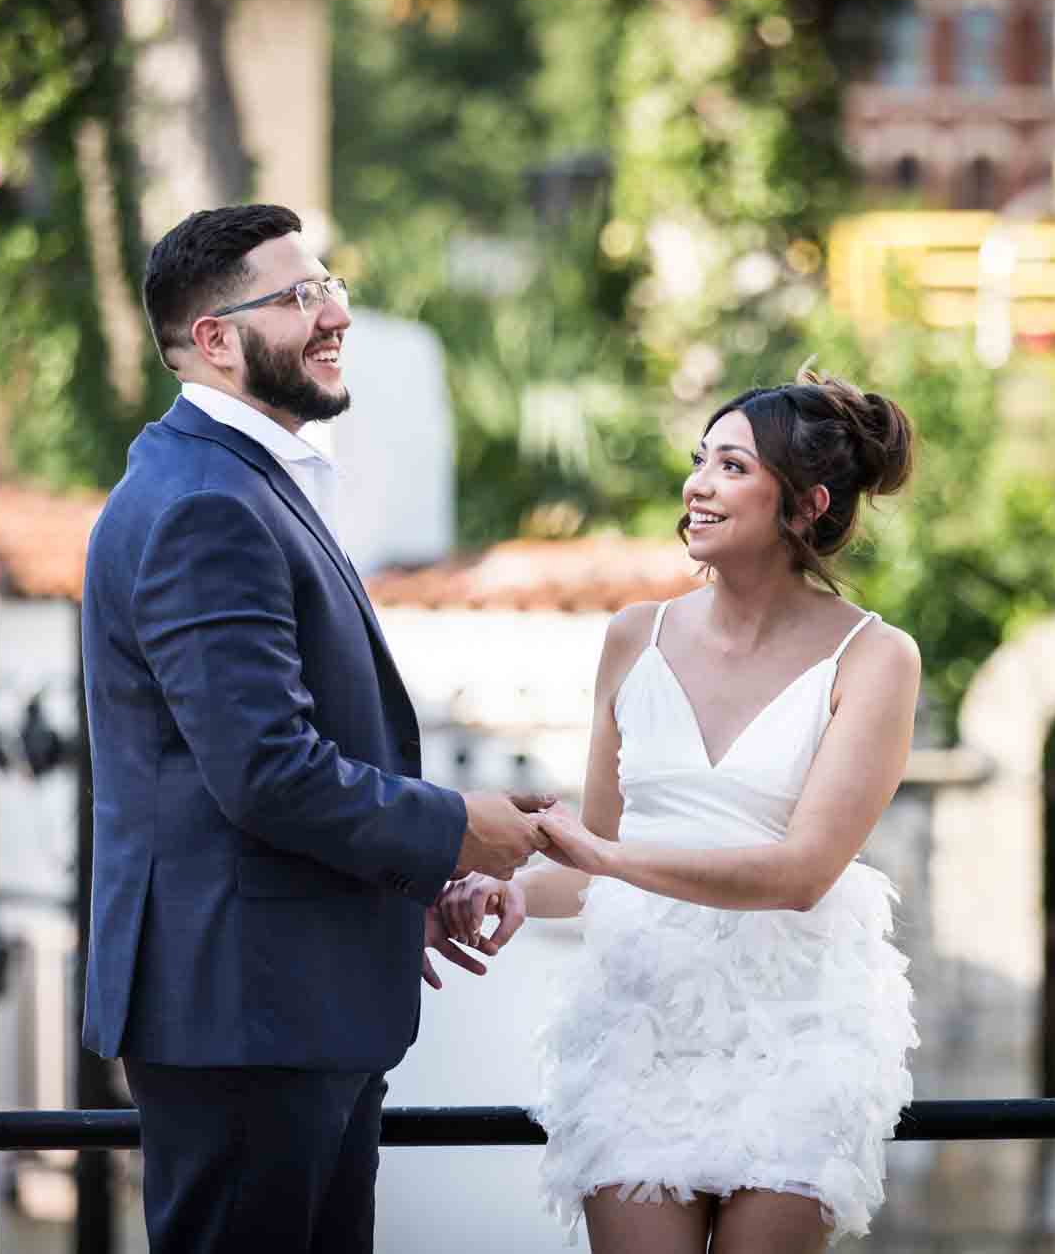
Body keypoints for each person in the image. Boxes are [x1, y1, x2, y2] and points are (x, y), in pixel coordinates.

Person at [80, 203, 550, 1254]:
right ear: (213, 339)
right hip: (245, 1016)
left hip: (284, 1003)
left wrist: (397, 893)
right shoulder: (206, 502)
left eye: (327, 283)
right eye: (297, 297)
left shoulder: (243, 483)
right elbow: (265, 772)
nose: (333, 312)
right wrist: (453, 828)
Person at [442, 369, 923, 1253]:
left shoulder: (877, 657)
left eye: (731, 466)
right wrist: (512, 891)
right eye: (700, 460)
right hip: (637, 1020)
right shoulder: (633, 637)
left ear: (807, 503)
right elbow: (591, 866)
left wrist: (605, 860)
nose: (697, 484)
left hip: (796, 1027)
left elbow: (800, 872)